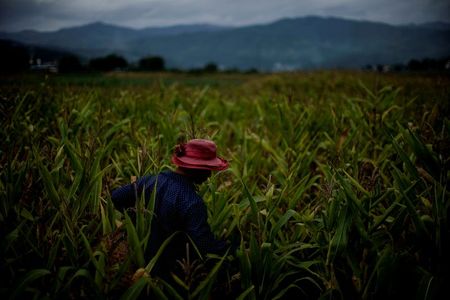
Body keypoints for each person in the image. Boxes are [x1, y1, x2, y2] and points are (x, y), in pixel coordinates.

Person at [111, 138, 231, 280]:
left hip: (137, 260)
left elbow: (116, 197)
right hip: (169, 274)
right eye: (207, 169)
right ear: (196, 168)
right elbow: (204, 246)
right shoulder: (192, 202)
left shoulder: (149, 181)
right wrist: (229, 248)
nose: (209, 175)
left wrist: (135, 219)